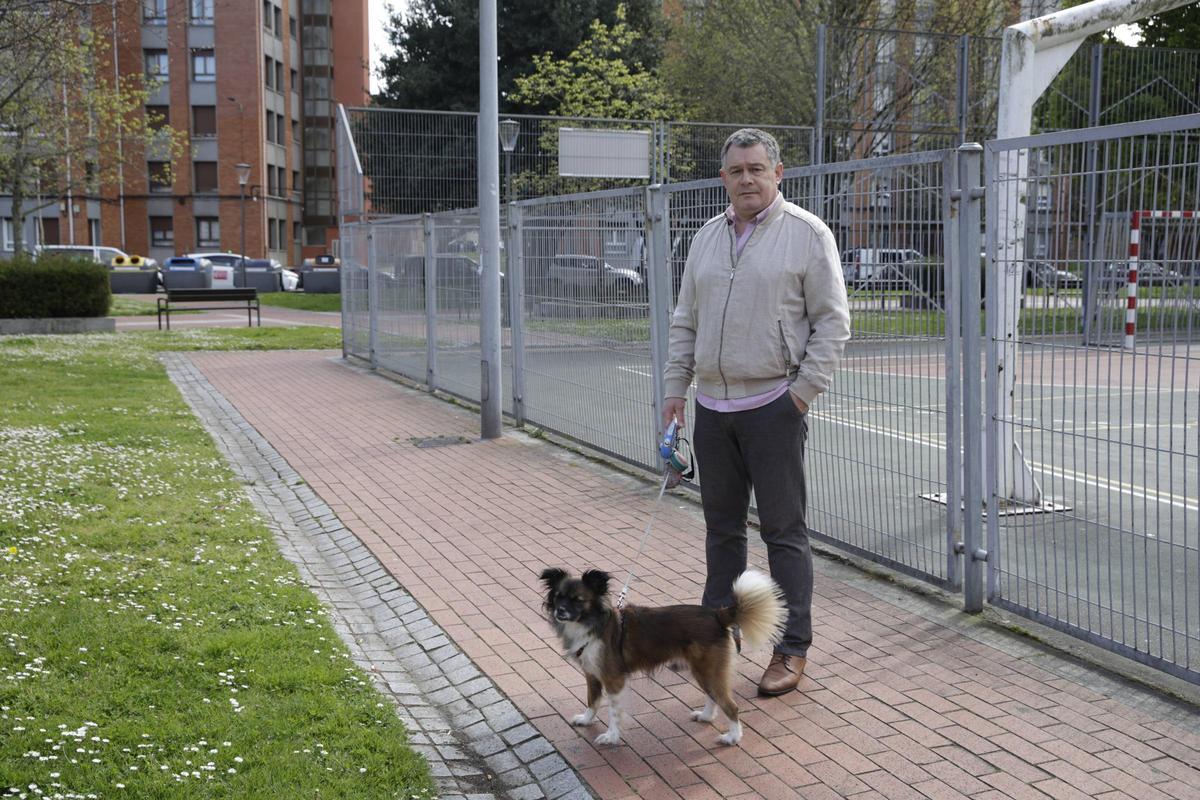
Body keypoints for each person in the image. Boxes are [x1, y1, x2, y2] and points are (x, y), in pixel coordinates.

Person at [662, 128, 850, 696]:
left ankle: (791, 649)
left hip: (774, 406)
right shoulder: (705, 239)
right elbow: (684, 321)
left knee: (783, 533)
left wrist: (800, 396)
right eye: (737, 170)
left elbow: (833, 322)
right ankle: (710, 639)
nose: (747, 178)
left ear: (778, 173)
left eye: (757, 168)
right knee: (721, 533)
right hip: (712, 410)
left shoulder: (807, 235)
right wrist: (676, 391)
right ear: (724, 178)